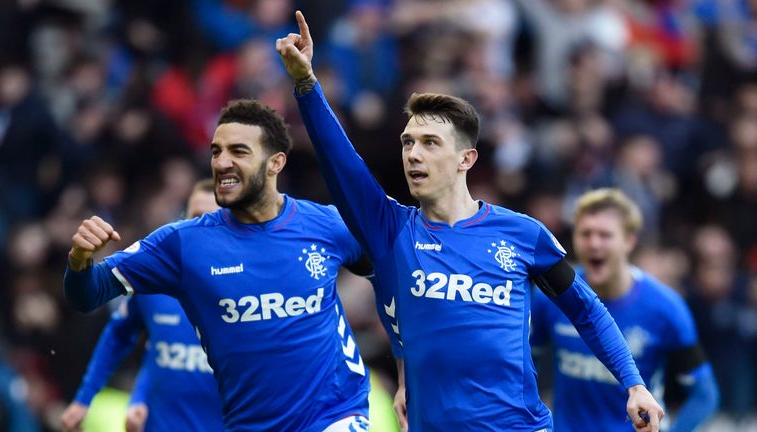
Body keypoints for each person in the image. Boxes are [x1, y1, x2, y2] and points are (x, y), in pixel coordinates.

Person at [277, 11, 665, 432]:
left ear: (466, 158)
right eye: (408, 143)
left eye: (429, 143)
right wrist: (306, 84)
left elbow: (587, 309)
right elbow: (342, 164)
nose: (413, 154)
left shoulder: (521, 234)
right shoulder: (392, 230)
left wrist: (634, 384)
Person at [63, 99, 372, 431]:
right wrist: (79, 260)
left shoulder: (326, 225)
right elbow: (88, 296)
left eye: (238, 151)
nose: (222, 162)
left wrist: (401, 361)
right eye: (215, 151)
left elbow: (388, 274)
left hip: (336, 416)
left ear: (275, 163)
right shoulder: (182, 244)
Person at [531, 188, 719, 432]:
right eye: (585, 233)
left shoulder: (666, 307)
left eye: (605, 235)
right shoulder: (552, 296)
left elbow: (704, 394)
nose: (593, 243)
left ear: (629, 241)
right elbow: (522, 366)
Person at [61, 179, 224, 432]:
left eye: (211, 218)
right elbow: (129, 339)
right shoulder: (156, 282)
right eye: (194, 217)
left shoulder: (244, 293)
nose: (201, 227)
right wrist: (86, 399)